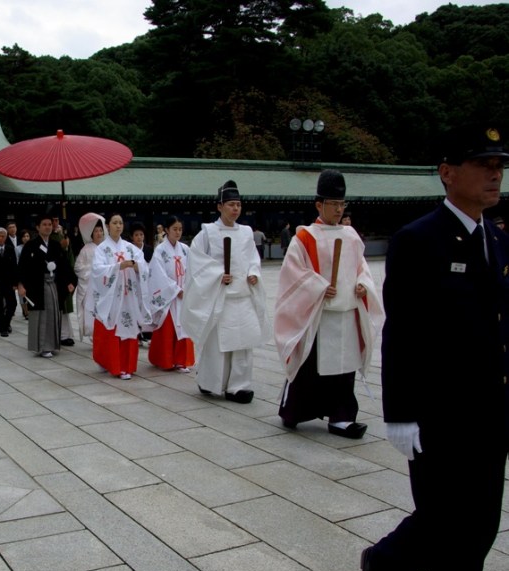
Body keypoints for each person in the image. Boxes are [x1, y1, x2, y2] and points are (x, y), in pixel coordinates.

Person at [357, 125, 509, 571]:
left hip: (492, 409)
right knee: (444, 516)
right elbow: (401, 333)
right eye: (482, 164)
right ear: (447, 174)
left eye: (499, 164)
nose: (495, 173)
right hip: (439, 412)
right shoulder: (418, 240)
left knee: (482, 518)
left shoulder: (500, 243)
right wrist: (399, 413)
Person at [274, 170, 383, 438]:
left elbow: (362, 267)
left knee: (345, 368)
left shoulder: (351, 236)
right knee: (310, 366)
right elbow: (293, 274)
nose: (338, 209)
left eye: (341, 203)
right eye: (332, 204)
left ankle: (342, 418)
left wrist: (362, 283)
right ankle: (294, 411)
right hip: (318, 314)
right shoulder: (304, 237)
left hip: (346, 312)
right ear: (319, 204)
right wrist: (319, 287)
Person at [182, 182, 268, 402]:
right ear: (220, 206)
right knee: (219, 345)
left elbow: (252, 258)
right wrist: (218, 274)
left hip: (243, 295)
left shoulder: (247, 232)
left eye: (238, 205)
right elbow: (197, 261)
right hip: (221, 296)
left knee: (243, 342)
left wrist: (253, 273)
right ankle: (211, 382)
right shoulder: (208, 233)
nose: (236, 209)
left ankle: (239, 385)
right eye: (231, 204)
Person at [91, 213, 152, 379]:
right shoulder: (102, 249)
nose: (118, 226)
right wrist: (119, 266)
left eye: (120, 223)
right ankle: (116, 366)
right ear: (108, 226)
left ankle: (128, 365)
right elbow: (97, 270)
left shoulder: (130, 248)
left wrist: (137, 267)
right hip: (113, 297)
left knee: (130, 328)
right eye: (114, 223)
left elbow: (145, 268)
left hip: (129, 295)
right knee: (115, 329)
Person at [18, 213, 76, 358]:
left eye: (50, 224)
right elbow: (23, 267)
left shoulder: (56, 245)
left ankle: (52, 344)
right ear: (37, 227)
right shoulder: (30, 246)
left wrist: (70, 281)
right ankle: (42, 346)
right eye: (44, 224)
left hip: (53, 284)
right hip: (37, 285)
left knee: (53, 314)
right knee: (41, 315)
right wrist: (21, 285)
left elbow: (64, 265)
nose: (47, 227)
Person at [147, 215, 195, 373]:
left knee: (184, 328)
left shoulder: (185, 249)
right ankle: (165, 360)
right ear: (166, 230)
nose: (178, 232)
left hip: (184, 293)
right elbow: (158, 275)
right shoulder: (160, 251)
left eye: (180, 229)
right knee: (168, 328)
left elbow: (192, 271)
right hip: (169, 297)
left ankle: (182, 361)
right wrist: (175, 290)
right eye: (174, 229)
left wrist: (187, 288)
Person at [74, 213, 107, 342]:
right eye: (96, 231)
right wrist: (93, 272)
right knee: (92, 310)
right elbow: (78, 267)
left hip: (104, 285)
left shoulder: (106, 248)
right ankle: (93, 333)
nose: (99, 233)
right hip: (90, 286)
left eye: (100, 230)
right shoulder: (86, 249)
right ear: (92, 234)